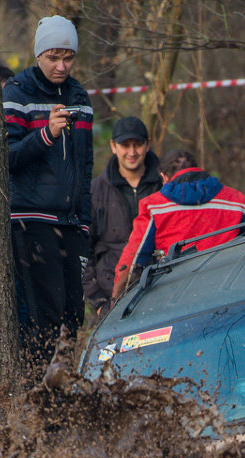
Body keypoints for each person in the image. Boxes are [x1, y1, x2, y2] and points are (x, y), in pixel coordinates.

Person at [4, 14, 93, 358]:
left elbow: (85, 167)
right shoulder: (17, 92)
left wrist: (84, 222)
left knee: (73, 314)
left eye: (68, 57)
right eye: (53, 57)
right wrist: (47, 134)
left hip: (71, 222)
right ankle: (38, 390)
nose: (61, 65)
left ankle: (65, 387)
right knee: (44, 315)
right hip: (31, 219)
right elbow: (7, 160)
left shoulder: (79, 96)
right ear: (38, 54)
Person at [111, 149, 245, 299]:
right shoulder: (236, 200)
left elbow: (131, 265)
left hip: (177, 299)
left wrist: (117, 301)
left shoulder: (153, 207)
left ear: (164, 177)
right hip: (230, 292)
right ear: (198, 170)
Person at [83, 116, 162, 318]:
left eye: (138, 144)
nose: (132, 152)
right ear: (113, 146)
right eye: (125, 145)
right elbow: (83, 250)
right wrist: (99, 301)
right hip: (111, 296)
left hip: (160, 289)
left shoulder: (164, 186)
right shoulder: (95, 191)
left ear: (148, 145)